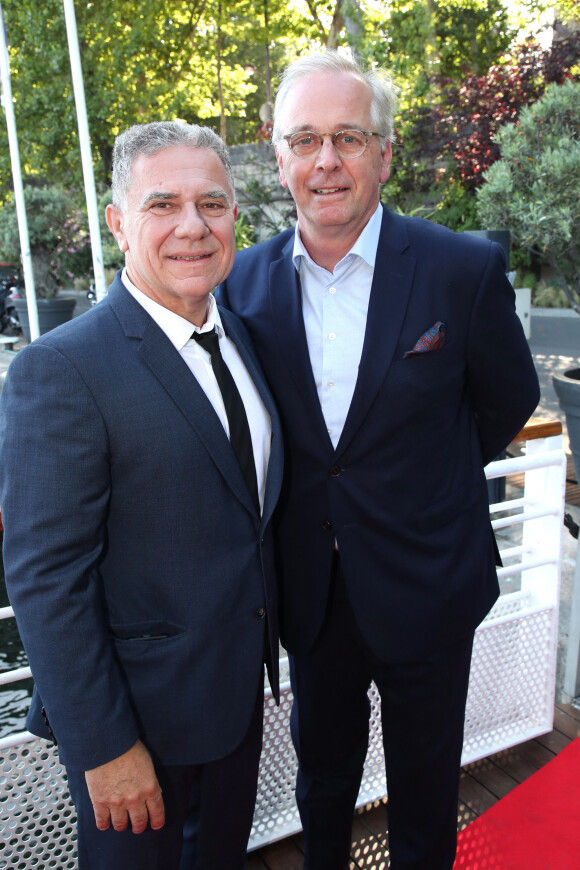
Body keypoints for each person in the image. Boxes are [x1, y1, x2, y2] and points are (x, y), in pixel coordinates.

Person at [215, 52, 540, 870]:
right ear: (278, 153)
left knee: (427, 794)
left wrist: (420, 489)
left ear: (385, 153)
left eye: (350, 138)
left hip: (429, 584)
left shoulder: (460, 270)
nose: (327, 162)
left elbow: (505, 400)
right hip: (312, 598)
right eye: (306, 140)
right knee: (321, 788)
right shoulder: (239, 285)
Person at [0, 121, 283, 870]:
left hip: (233, 705)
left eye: (213, 204)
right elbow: (45, 577)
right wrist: (105, 748)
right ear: (120, 223)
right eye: (163, 204)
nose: (193, 226)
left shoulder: (243, 336)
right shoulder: (60, 370)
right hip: (136, 734)